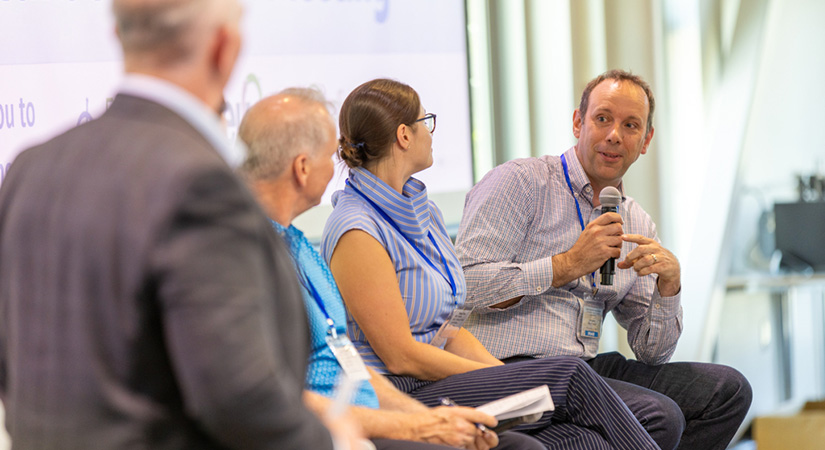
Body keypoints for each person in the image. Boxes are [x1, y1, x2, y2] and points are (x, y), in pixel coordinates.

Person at [0, 1, 347, 449]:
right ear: (224, 49)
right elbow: (240, 398)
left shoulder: (30, 168)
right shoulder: (202, 182)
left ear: (121, 38)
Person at [320, 78, 662, 450]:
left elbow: (447, 330)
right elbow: (401, 356)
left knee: (584, 440)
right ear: (404, 135)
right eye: (425, 121)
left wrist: (509, 379)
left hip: (445, 375)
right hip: (401, 389)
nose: (431, 133)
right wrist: (509, 378)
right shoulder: (357, 227)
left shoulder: (423, 211)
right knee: (570, 376)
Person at [453, 69, 752, 450]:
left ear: (645, 140)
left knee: (726, 390)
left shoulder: (636, 220)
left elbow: (652, 352)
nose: (614, 135)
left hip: (584, 365)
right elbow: (463, 285)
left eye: (630, 125)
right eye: (602, 119)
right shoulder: (521, 182)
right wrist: (565, 265)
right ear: (578, 122)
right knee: (659, 415)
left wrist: (670, 288)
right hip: (507, 367)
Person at [238, 88, 546, 450]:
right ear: (303, 168)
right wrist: (413, 427)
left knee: (524, 445)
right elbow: (274, 396)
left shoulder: (297, 245)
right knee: (564, 384)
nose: (339, 162)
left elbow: (350, 364)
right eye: (328, 154)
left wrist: (424, 418)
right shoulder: (247, 257)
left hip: (365, 411)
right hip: (324, 433)